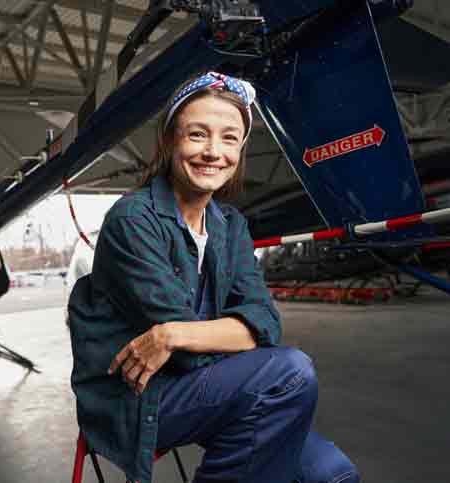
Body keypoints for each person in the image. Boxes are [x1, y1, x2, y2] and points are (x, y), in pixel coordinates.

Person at [67, 72, 359, 483]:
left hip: (211, 387)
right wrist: (228, 335)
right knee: (288, 374)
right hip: (141, 398)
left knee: (333, 475)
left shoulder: (231, 226)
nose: (212, 152)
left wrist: (172, 335)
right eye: (197, 135)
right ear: (169, 142)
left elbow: (265, 322)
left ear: (241, 147)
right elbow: (212, 350)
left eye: (228, 138)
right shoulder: (133, 219)